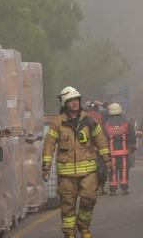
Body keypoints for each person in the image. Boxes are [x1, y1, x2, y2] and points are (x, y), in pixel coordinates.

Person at [43, 87, 113, 238]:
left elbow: (101, 140)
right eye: (70, 101)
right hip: (66, 173)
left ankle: (84, 226)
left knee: (89, 198)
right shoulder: (57, 123)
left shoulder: (89, 120)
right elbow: (49, 144)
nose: (74, 103)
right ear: (64, 103)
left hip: (88, 170)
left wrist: (107, 159)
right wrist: (46, 166)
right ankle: (69, 233)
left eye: (76, 100)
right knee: (67, 205)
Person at [103, 102, 136, 195]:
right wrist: (132, 149)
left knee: (112, 170)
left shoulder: (106, 124)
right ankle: (124, 189)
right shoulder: (126, 123)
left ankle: (113, 190)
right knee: (124, 169)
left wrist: (104, 152)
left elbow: (103, 138)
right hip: (124, 152)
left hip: (111, 152)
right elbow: (132, 137)